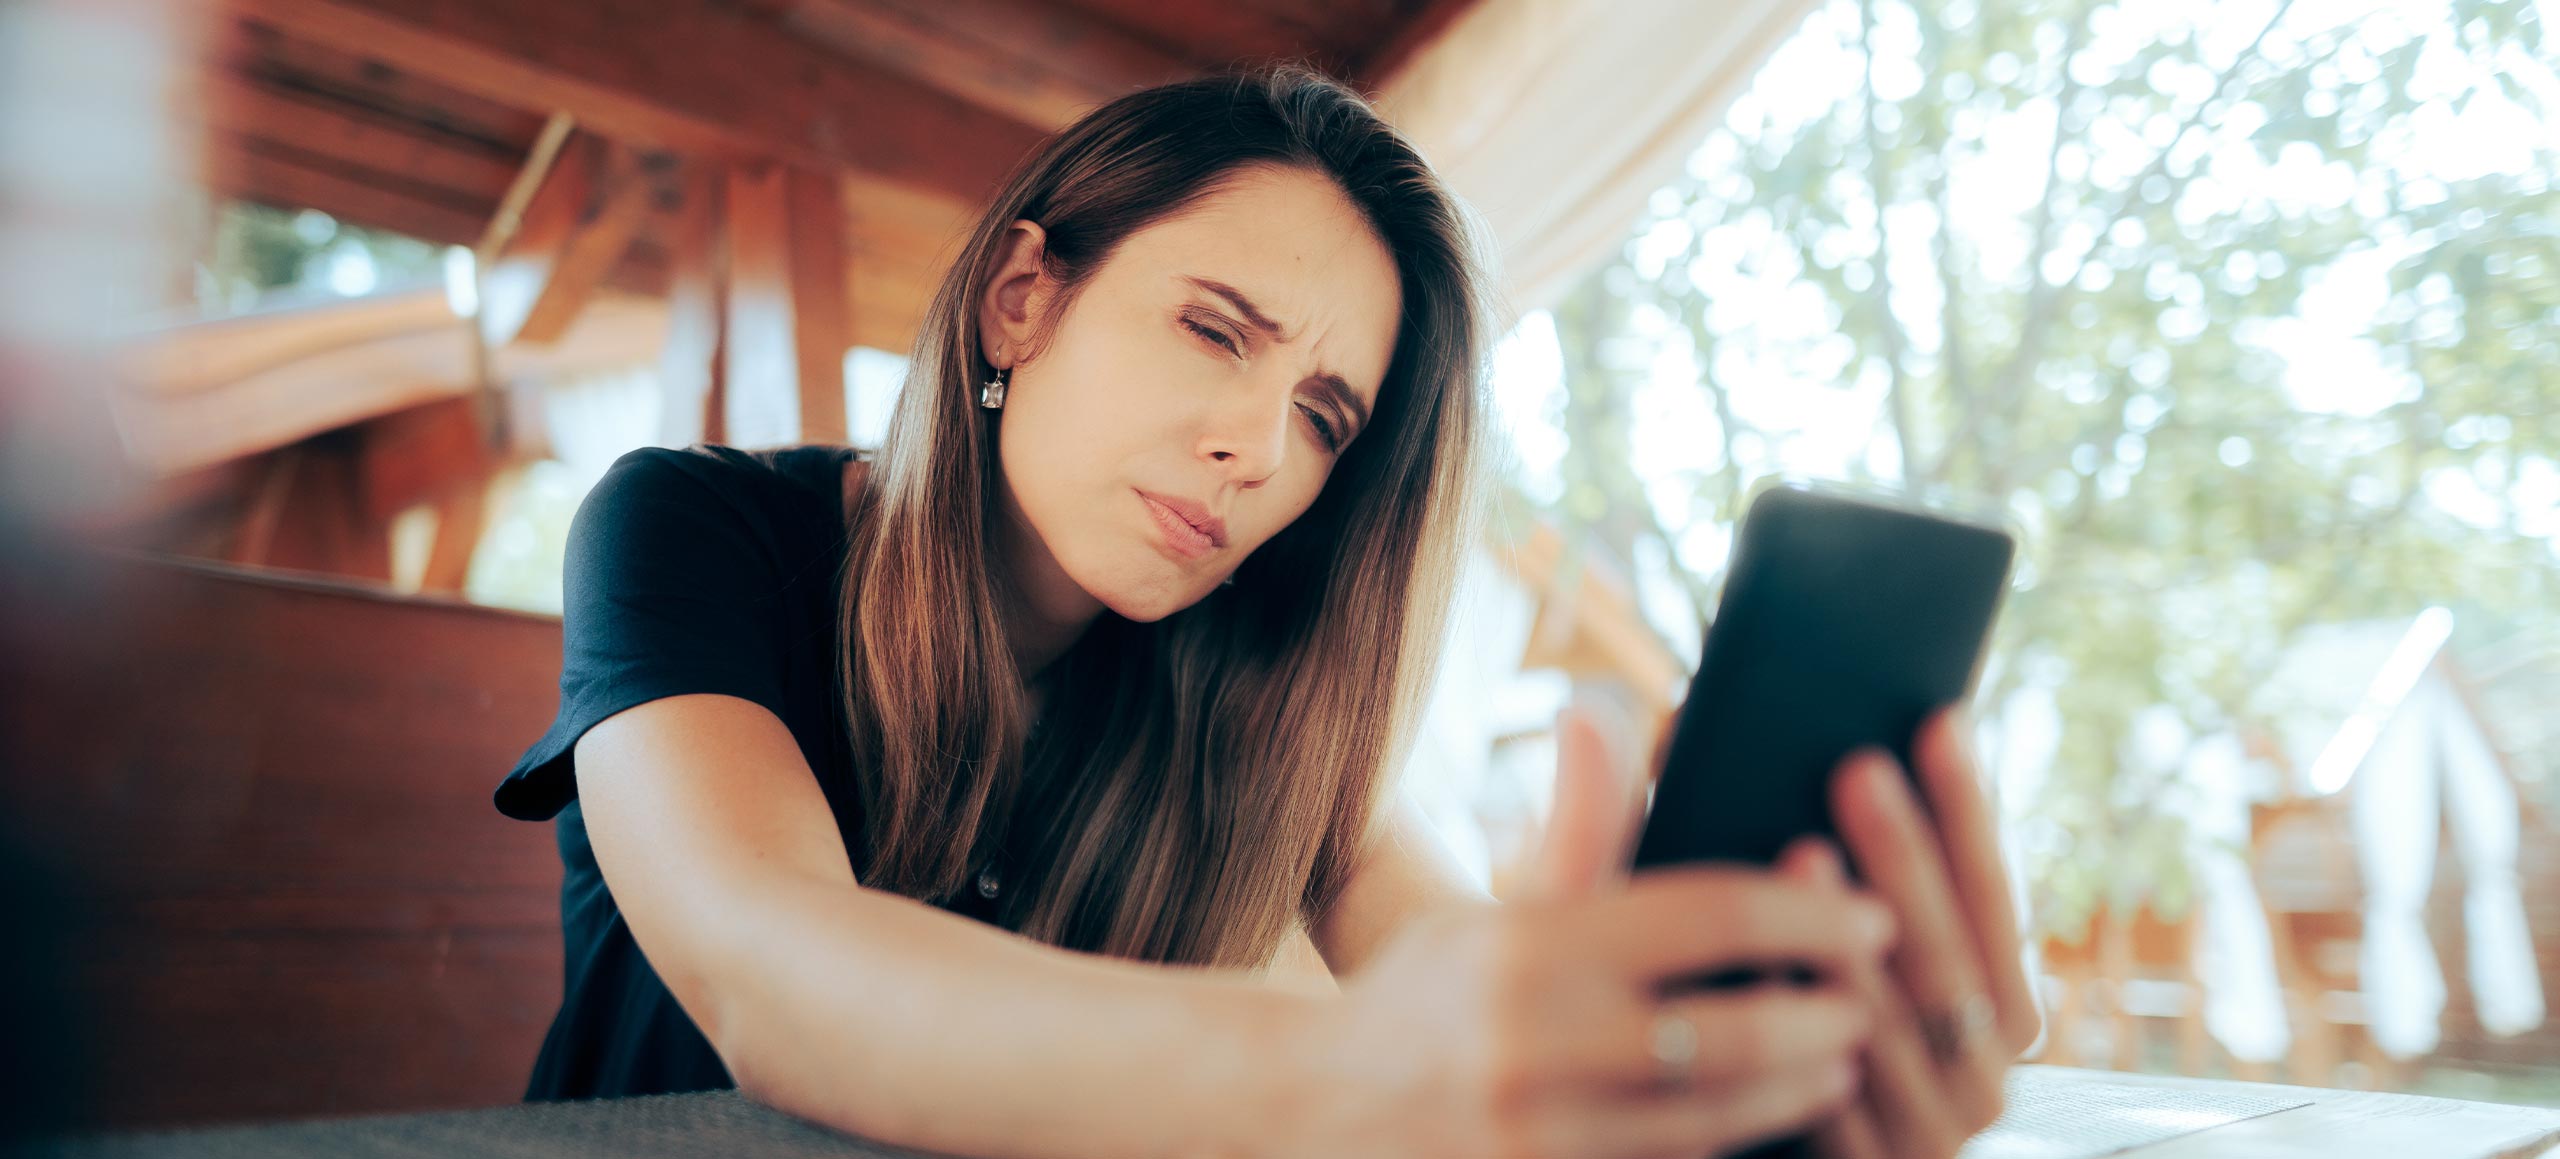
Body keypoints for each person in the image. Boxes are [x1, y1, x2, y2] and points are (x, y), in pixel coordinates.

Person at [494, 67, 2039, 1159]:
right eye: (1212, 330)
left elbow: (1458, 974)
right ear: (1021, 298)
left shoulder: (1250, 681)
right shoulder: (691, 528)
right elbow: (778, 983)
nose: (1256, 448)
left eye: (1323, 415)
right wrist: (1369, 1081)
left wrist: (1660, 1071)